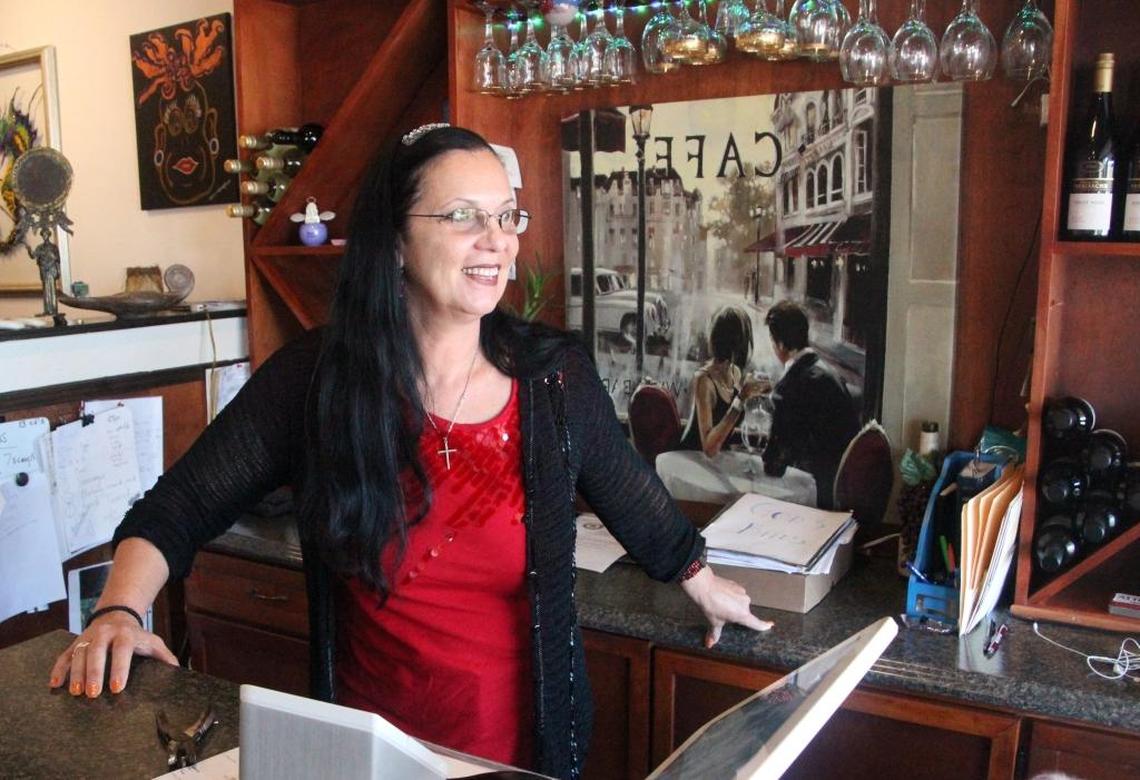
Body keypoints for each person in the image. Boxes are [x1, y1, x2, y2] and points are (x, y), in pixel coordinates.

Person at [48, 125, 771, 779]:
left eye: (505, 215)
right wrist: (121, 613)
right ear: (395, 239)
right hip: (367, 760)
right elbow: (176, 508)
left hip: (523, 756)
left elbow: (629, 494)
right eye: (463, 217)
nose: (496, 238)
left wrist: (702, 580)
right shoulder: (318, 380)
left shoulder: (552, 377)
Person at [761, 300, 860, 510]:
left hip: (814, 498)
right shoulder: (828, 373)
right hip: (843, 490)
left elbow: (774, 465)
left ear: (779, 344)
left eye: (772, 341)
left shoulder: (788, 389)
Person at [679, 305, 768, 458]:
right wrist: (741, 398)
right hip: (693, 458)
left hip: (719, 458)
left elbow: (728, 426)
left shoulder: (736, 373)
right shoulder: (704, 380)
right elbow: (708, 447)